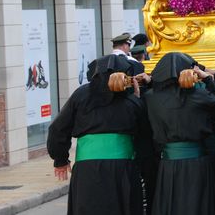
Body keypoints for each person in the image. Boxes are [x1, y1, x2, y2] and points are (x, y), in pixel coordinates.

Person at [47, 55, 149, 215]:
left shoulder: (81, 95)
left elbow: (58, 128)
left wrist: (60, 159)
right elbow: (145, 136)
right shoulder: (131, 101)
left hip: (87, 169)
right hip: (122, 168)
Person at [145, 52, 215, 214]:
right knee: (197, 203)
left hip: (168, 163)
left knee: (172, 203)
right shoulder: (196, 95)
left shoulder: (150, 97)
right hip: (196, 162)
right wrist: (207, 79)